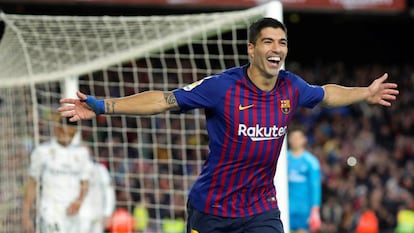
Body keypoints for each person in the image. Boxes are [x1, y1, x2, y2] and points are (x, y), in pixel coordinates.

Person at [58, 17, 398, 233]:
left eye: (282, 43)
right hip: (212, 210)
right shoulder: (221, 88)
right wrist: (104, 106)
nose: (276, 48)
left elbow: (326, 94)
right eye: (268, 41)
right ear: (251, 49)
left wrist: (364, 93)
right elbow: (164, 100)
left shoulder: (291, 86)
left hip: (260, 209)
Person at [22, 115, 93, 233]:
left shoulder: (82, 153)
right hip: (50, 210)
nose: (67, 137)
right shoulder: (42, 151)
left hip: (72, 211)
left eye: (71, 134)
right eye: (64, 132)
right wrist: (26, 213)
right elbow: (32, 183)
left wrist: (79, 201)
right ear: (57, 128)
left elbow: (85, 182)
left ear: (75, 133)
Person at [287, 127, 322, 233]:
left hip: (304, 209)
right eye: (293, 137)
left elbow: (315, 186)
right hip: (285, 207)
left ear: (304, 139)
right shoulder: (283, 159)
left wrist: (315, 210)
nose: (295, 140)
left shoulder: (311, 161)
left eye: (298, 138)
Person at [78, 159, 116, 233]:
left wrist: (108, 213)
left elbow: (109, 192)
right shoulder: (74, 170)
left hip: (97, 215)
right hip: (81, 215)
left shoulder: (101, 170)